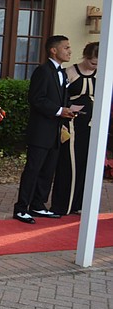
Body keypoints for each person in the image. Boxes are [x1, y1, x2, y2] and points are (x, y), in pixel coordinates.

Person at [13, 35, 80, 224]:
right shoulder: (42, 71)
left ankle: (38, 205)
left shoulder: (62, 73)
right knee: (33, 170)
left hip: (55, 131)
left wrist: (69, 110)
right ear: (53, 50)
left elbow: (60, 98)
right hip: (40, 131)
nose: (69, 51)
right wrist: (60, 110)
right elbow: (36, 99)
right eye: (66, 47)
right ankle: (21, 208)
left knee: (48, 171)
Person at [51, 41, 98, 216]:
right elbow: (60, 97)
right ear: (85, 57)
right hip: (72, 126)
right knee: (69, 164)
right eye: (93, 62)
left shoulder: (101, 75)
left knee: (86, 165)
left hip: (92, 127)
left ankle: (79, 204)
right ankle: (63, 205)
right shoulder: (69, 73)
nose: (95, 66)